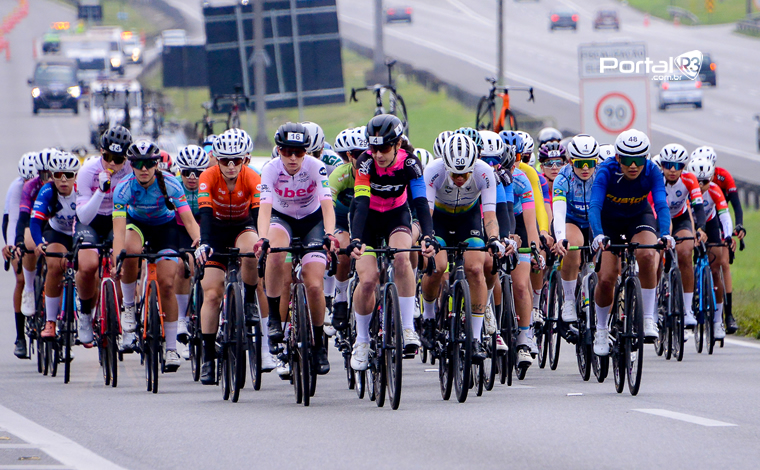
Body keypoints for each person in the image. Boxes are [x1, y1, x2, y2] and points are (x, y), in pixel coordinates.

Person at [347, 114, 436, 371]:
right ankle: (362, 341)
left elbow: (421, 203)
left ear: (397, 144)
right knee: (368, 280)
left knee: (402, 257)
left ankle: (407, 327)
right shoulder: (365, 162)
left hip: (396, 215)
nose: (378, 154)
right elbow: (361, 203)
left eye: (384, 148)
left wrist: (428, 235)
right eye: (373, 148)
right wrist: (356, 239)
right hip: (367, 218)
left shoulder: (410, 163)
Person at [254, 122, 338, 376]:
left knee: (314, 284)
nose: (292, 158)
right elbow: (265, 209)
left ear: (306, 152)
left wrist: (329, 234)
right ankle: (274, 320)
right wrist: (262, 238)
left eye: (299, 152)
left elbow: (327, 205)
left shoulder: (315, 166)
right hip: (282, 219)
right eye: (287, 151)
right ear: (279, 150)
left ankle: (319, 343)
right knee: (276, 251)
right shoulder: (270, 169)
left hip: (312, 221)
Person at [112, 140, 201, 371]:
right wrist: (117, 258)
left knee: (167, 283)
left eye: (149, 164)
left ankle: (171, 348)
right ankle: (129, 308)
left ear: (157, 165)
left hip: (165, 229)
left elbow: (189, 221)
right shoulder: (123, 187)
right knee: (129, 251)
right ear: (131, 165)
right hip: (137, 225)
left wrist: (200, 244)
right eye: (138, 164)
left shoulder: (171, 184)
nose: (144, 169)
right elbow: (119, 232)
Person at [421, 134, 505, 360]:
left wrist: (494, 239)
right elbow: (427, 212)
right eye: (455, 174)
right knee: (437, 266)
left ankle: (475, 338)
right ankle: (428, 318)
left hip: (468, 219)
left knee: (476, 269)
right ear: (446, 166)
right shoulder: (433, 170)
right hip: (439, 219)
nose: (460, 178)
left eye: (465, 174)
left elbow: (490, 215)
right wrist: (427, 238)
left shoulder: (484, 172)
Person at [590, 129, 673, 356]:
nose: (634, 165)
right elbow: (595, 205)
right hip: (608, 222)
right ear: (618, 157)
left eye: (639, 159)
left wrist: (665, 234)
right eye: (628, 160)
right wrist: (598, 234)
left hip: (638, 217)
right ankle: (601, 329)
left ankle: (647, 317)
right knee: (606, 278)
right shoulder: (606, 170)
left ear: (646, 158)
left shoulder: (652, 171)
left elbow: (661, 204)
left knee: (648, 254)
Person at [193, 129, 268, 383]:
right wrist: (204, 244)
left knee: (252, 248)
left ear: (245, 159)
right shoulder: (208, 176)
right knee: (212, 294)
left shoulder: (253, 177)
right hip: (215, 232)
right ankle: (207, 357)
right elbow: (204, 214)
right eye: (226, 160)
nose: (232, 165)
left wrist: (263, 240)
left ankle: (249, 300)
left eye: (237, 160)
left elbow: (258, 214)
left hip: (242, 227)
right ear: (217, 159)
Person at [74, 126, 133, 349]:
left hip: (118, 219)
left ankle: (125, 319)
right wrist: (101, 190)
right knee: (88, 265)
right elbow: (84, 216)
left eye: (118, 160)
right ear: (101, 152)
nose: (112, 164)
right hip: (91, 219)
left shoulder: (131, 171)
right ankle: (85, 314)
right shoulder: (88, 171)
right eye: (107, 157)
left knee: (122, 265)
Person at [31, 152, 81, 339]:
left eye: (68, 175)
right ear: (52, 176)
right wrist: (39, 243)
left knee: (90, 267)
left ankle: (88, 317)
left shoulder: (82, 189)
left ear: (76, 176)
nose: (63, 180)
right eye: (58, 175)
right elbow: (35, 222)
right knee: (54, 265)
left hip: (80, 233)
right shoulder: (47, 191)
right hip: (57, 232)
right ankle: (50, 321)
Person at [657, 143, 707, 327]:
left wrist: (700, 228)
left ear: (683, 167)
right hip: (658, 217)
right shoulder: (656, 179)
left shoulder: (689, 179)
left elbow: (698, 206)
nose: (672, 170)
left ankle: (687, 309)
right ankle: (652, 306)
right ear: (662, 165)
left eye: (677, 166)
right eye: (668, 165)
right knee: (655, 256)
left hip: (680, 218)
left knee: (686, 252)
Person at [551, 134, 599, 323]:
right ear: (571, 162)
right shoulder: (563, 178)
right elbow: (558, 212)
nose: (585, 168)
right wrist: (560, 238)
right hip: (571, 220)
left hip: (594, 220)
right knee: (572, 245)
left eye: (590, 163)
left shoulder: (601, 175)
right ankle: (569, 300)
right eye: (580, 164)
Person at [688, 154, 735, 340]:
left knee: (716, 270)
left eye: (705, 182)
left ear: (712, 179)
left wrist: (728, 236)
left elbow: (724, 216)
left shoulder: (715, 190)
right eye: (697, 181)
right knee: (685, 259)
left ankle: (717, 321)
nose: (700, 186)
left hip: (710, 222)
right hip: (689, 223)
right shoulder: (686, 189)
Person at [330, 127, 368, 331]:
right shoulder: (340, 174)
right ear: (348, 156)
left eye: (365, 153)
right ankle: (340, 297)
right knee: (344, 249)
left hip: (366, 223)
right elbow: (326, 205)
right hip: (341, 222)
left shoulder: (375, 175)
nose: (360, 158)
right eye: (355, 154)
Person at [172, 145, 209, 358]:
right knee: (184, 265)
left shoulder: (210, 183)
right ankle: (182, 319)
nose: (192, 178)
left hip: (204, 226)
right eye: (187, 172)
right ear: (180, 171)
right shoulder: (174, 185)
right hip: (180, 229)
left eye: (197, 173)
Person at [701, 147, 742, 334]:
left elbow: (735, 206)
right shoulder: (690, 181)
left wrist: (735, 229)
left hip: (716, 217)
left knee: (722, 263)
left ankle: (728, 314)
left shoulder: (722, 177)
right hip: (696, 218)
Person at [3, 152, 39, 358]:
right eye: (26, 180)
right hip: (19, 224)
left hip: (40, 222)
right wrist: (11, 245)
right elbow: (13, 220)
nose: (29, 184)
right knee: (20, 278)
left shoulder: (44, 185)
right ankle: (20, 337)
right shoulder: (17, 188)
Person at [15, 149, 56, 318]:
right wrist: (19, 241)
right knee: (29, 243)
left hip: (54, 224)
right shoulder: (30, 186)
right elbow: (23, 218)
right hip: (36, 222)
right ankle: (30, 288)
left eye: (52, 174)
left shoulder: (63, 184)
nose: (49, 179)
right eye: (44, 175)